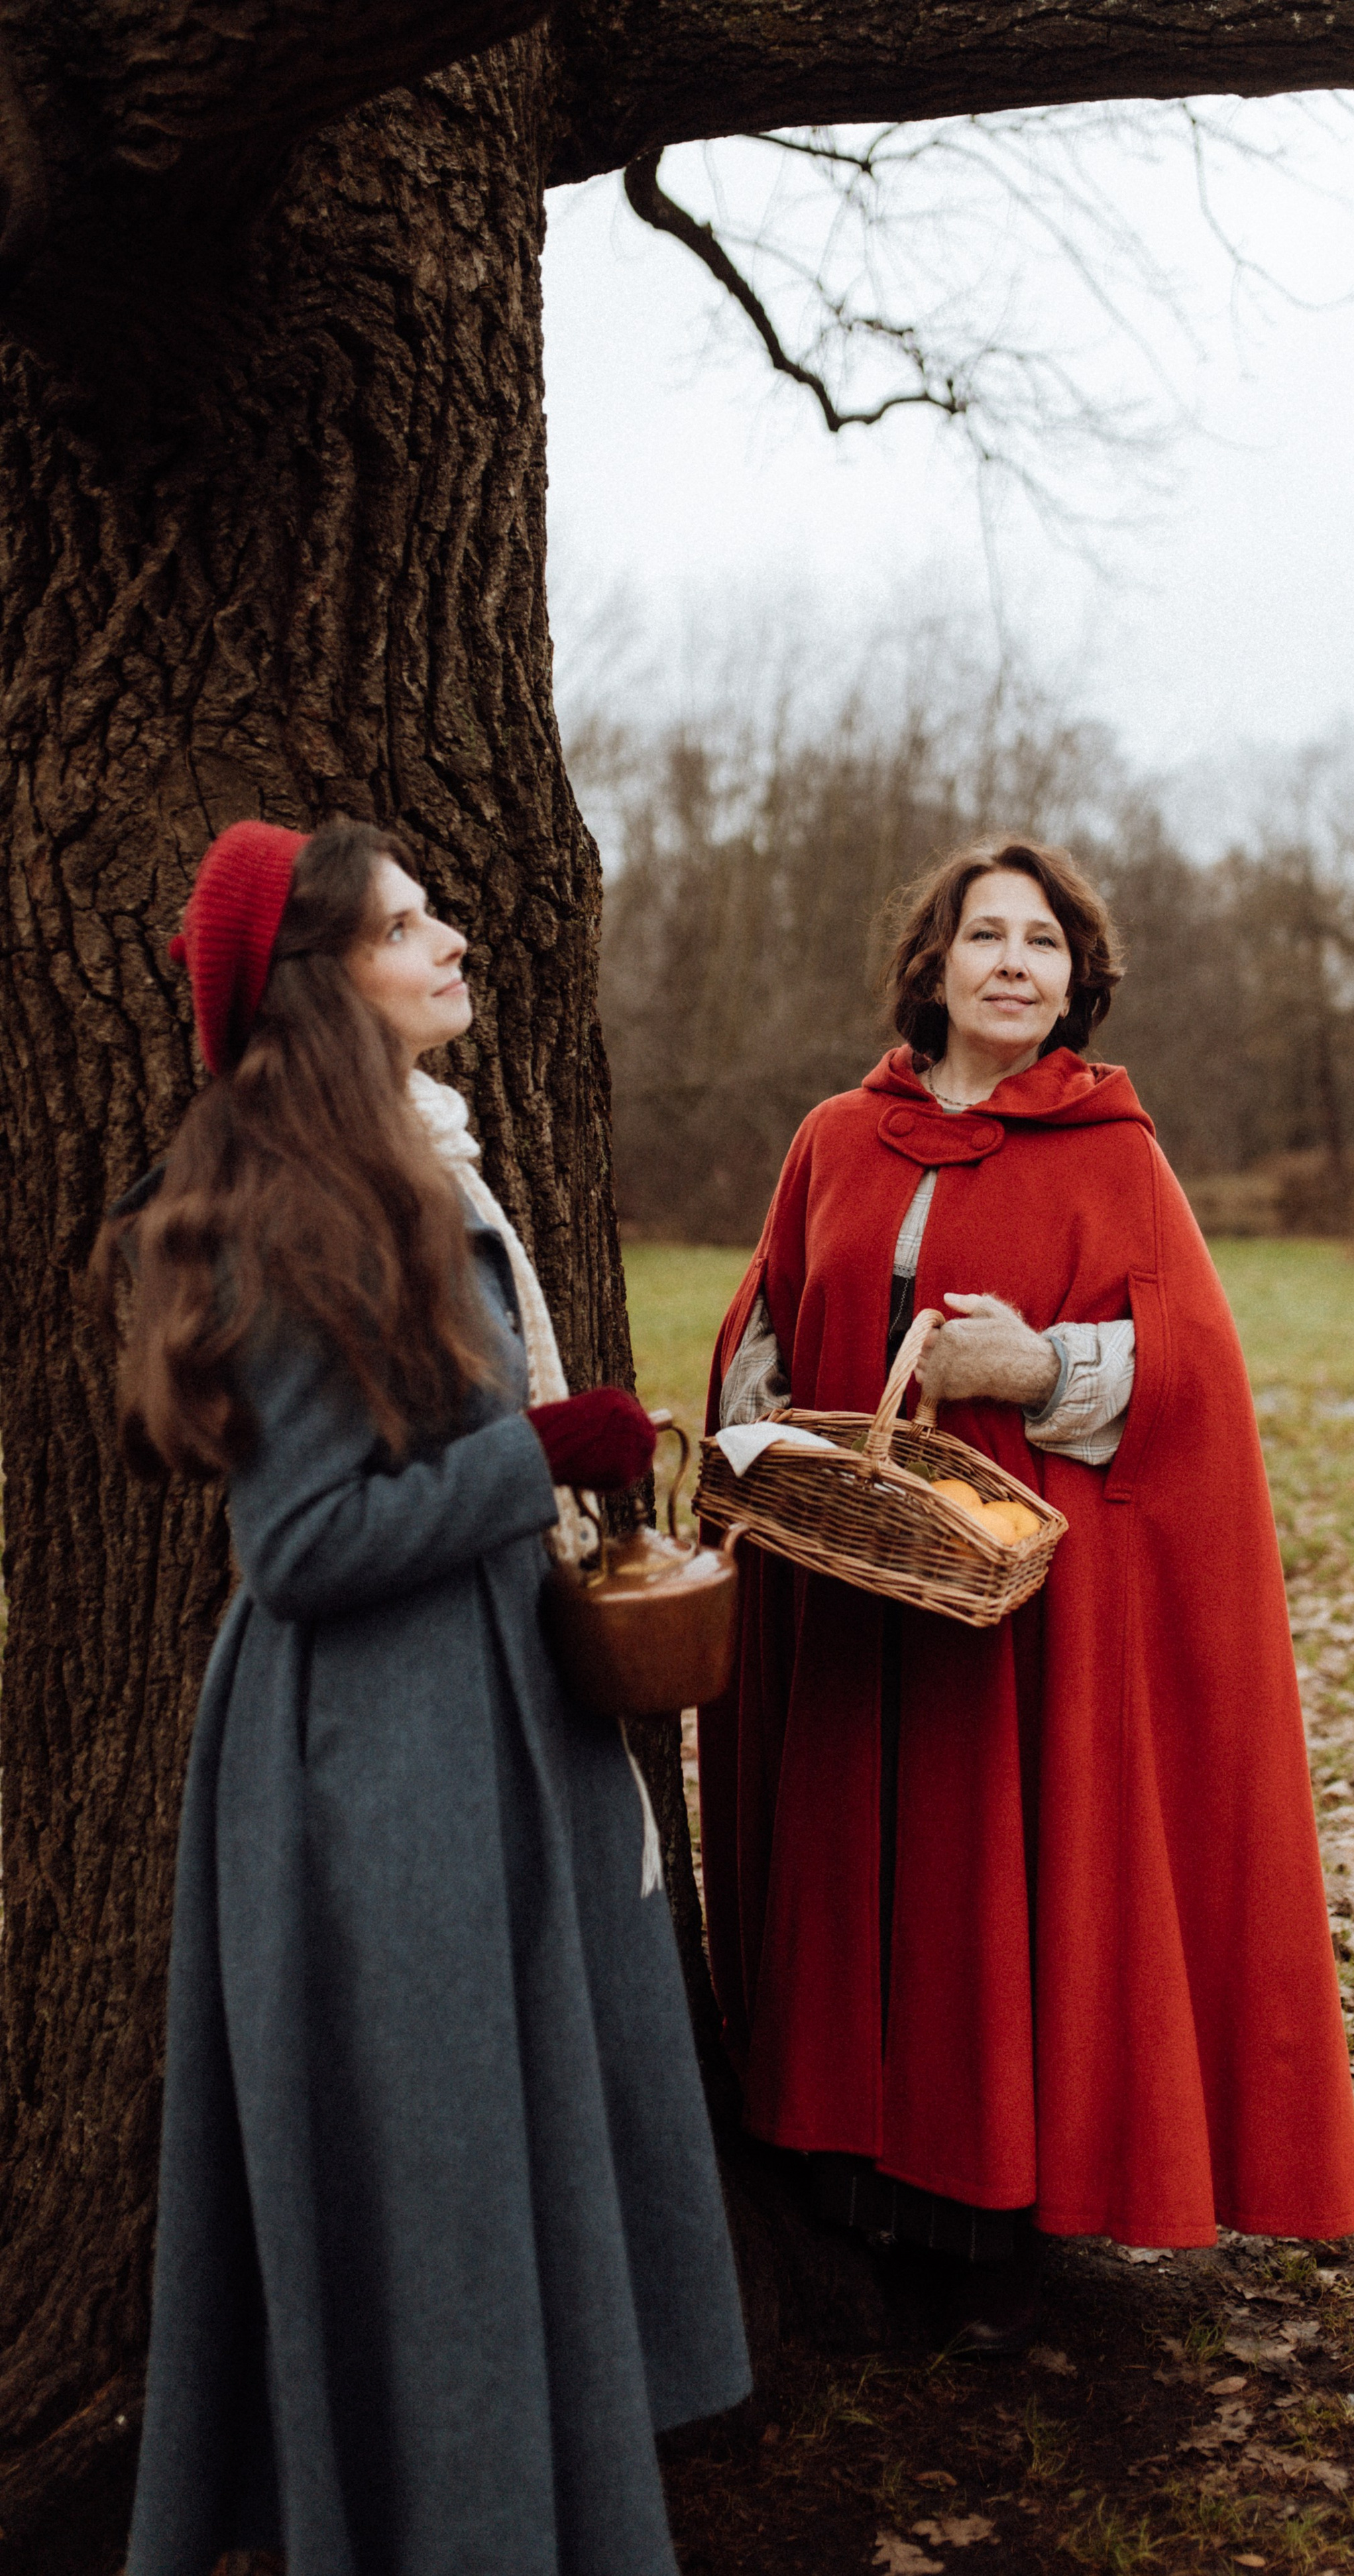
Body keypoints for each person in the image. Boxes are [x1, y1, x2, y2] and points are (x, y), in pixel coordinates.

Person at [102, 817, 750, 2576]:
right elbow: (303, 1541)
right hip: (372, 1775)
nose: (453, 937)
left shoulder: (410, 1164)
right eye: (407, 923)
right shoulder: (285, 1200)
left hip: (465, 1728)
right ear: (323, 982)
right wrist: (537, 1454)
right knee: (441, 2205)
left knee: (509, 2176)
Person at [703, 836, 1354, 2351]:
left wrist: (1038, 1365)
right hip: (853, 1581)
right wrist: (771, 1429)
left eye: (1044, 944)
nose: (1014, 961)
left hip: (1015, 1613)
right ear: (929, 967)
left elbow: (1190, 1366)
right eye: (985, 935)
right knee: (852, 1853)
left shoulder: (1113, 1150)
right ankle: (835, 2168)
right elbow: (761, 1320)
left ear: (1077, 983)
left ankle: (988, 2201)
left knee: (990, 1877)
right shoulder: (834, 1135)